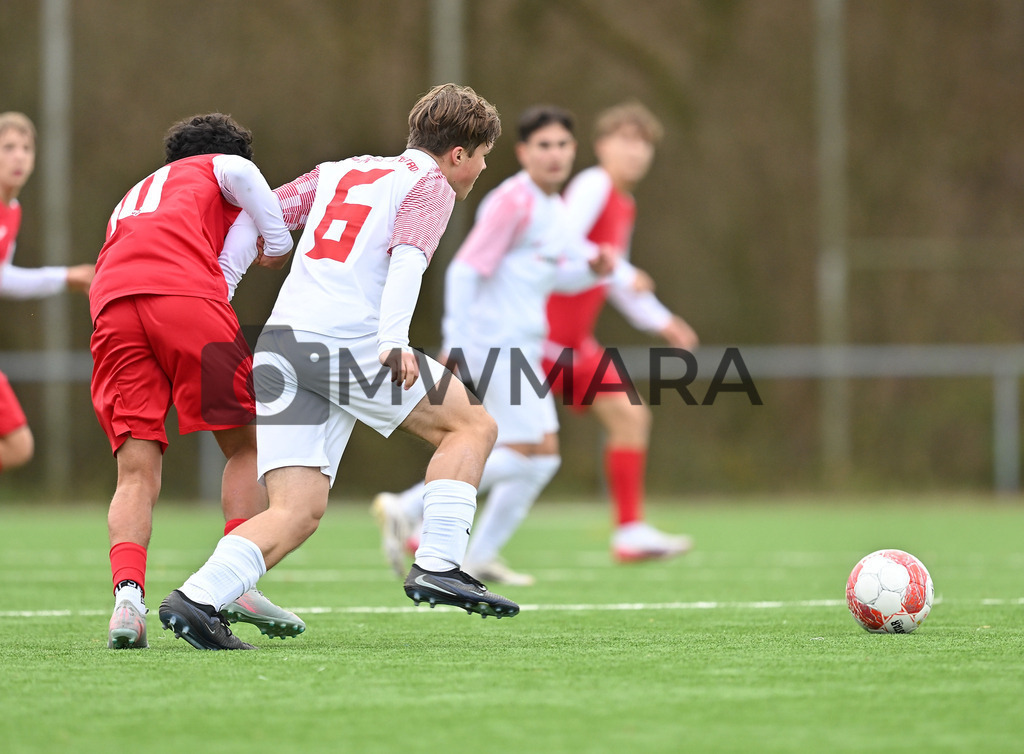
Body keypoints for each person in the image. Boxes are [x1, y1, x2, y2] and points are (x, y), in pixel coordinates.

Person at [158, 83, 517, 652]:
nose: (478, 173)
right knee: (472, 424)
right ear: (458, 154)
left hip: (280, 345)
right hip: (345, 340)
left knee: (297, 512)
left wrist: (224, 282)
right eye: (481, 160)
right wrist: (394, 338)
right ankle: (440, 562)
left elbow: (261, 213)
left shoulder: (338, 170)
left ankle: (197, 598)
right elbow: (409, 258)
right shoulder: (429, 183)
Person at [373, 105, 622, 586]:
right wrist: (456, 343)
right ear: (524, 153)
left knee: (541, 456)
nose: (554, 155)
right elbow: (466, 268)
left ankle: (470, 548)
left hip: (520, 344)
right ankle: (411, 511)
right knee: (537, 452)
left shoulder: (553, 209)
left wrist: (589, 271)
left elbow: (551, 279)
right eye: (543, 146)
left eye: (562, 145)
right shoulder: (514, 201)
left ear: (574, 151)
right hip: (494, 343)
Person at [90, 113, 305, 649]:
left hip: (112, 306)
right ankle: (233, 582)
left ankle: (127, 600)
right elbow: (247, 188)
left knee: (135, 472)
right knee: (251, 443)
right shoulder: (225, 165)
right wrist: (277, 242)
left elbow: (219, 269)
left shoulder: (136, 194)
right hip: (184, 297)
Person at [544, 101, 698, 562]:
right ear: (601, 145)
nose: (636, 151)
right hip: (539, 337)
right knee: (513, 448)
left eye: (644, 142)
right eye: (625, 140)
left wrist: (662, 319)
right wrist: (627, 271)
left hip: (575, 345)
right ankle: (420, 514)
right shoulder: (592, 185)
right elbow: (562, 242)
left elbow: (615, 282)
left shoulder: (623, 203)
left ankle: (629, 531)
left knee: (630, 418)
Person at [0, 111, 94, 474]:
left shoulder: (12, 211)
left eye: (26, 148)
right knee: (19, 444)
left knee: (19, 446)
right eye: (8, 147)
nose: (19, 156)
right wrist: (65, 277)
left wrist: (66, 278)